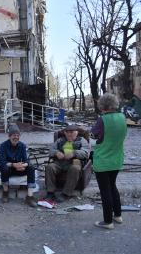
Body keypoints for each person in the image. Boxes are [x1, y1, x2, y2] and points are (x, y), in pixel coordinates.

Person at [91, 93, 127, 229]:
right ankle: (118, 215)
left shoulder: (102, 120)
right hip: (117, 159)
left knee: (105, 191)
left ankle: (107, 222)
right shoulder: (122, 117)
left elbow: (92, 134)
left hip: (103, 160)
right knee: (113, 187)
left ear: (103, 106)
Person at [45, 124, 90, 202]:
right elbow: (50, 150)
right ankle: (50, 192)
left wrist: (74, 153)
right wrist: (56, 153)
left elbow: (86, 153)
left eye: (72, 132)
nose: (69, 134)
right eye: (67, 132)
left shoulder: (81, 140)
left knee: (75, 168)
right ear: (65, 133)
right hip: (60, 162)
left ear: (76, 132)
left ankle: (66, 193)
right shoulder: (60, 140)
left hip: (75, 162)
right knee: (50, 167)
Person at [0, 124, 37, 207]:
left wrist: (23, 165)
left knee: (31, 167)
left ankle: (29, 196)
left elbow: (26, 160)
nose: (16, 137)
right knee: (3, 167)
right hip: (9, 170)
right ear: (9, 136)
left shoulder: (22, 145)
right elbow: (2, 161)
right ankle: (5, 191)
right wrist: (13, 165)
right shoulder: (3, 146)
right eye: (13, 135)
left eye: (17, 135)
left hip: (19, 169)